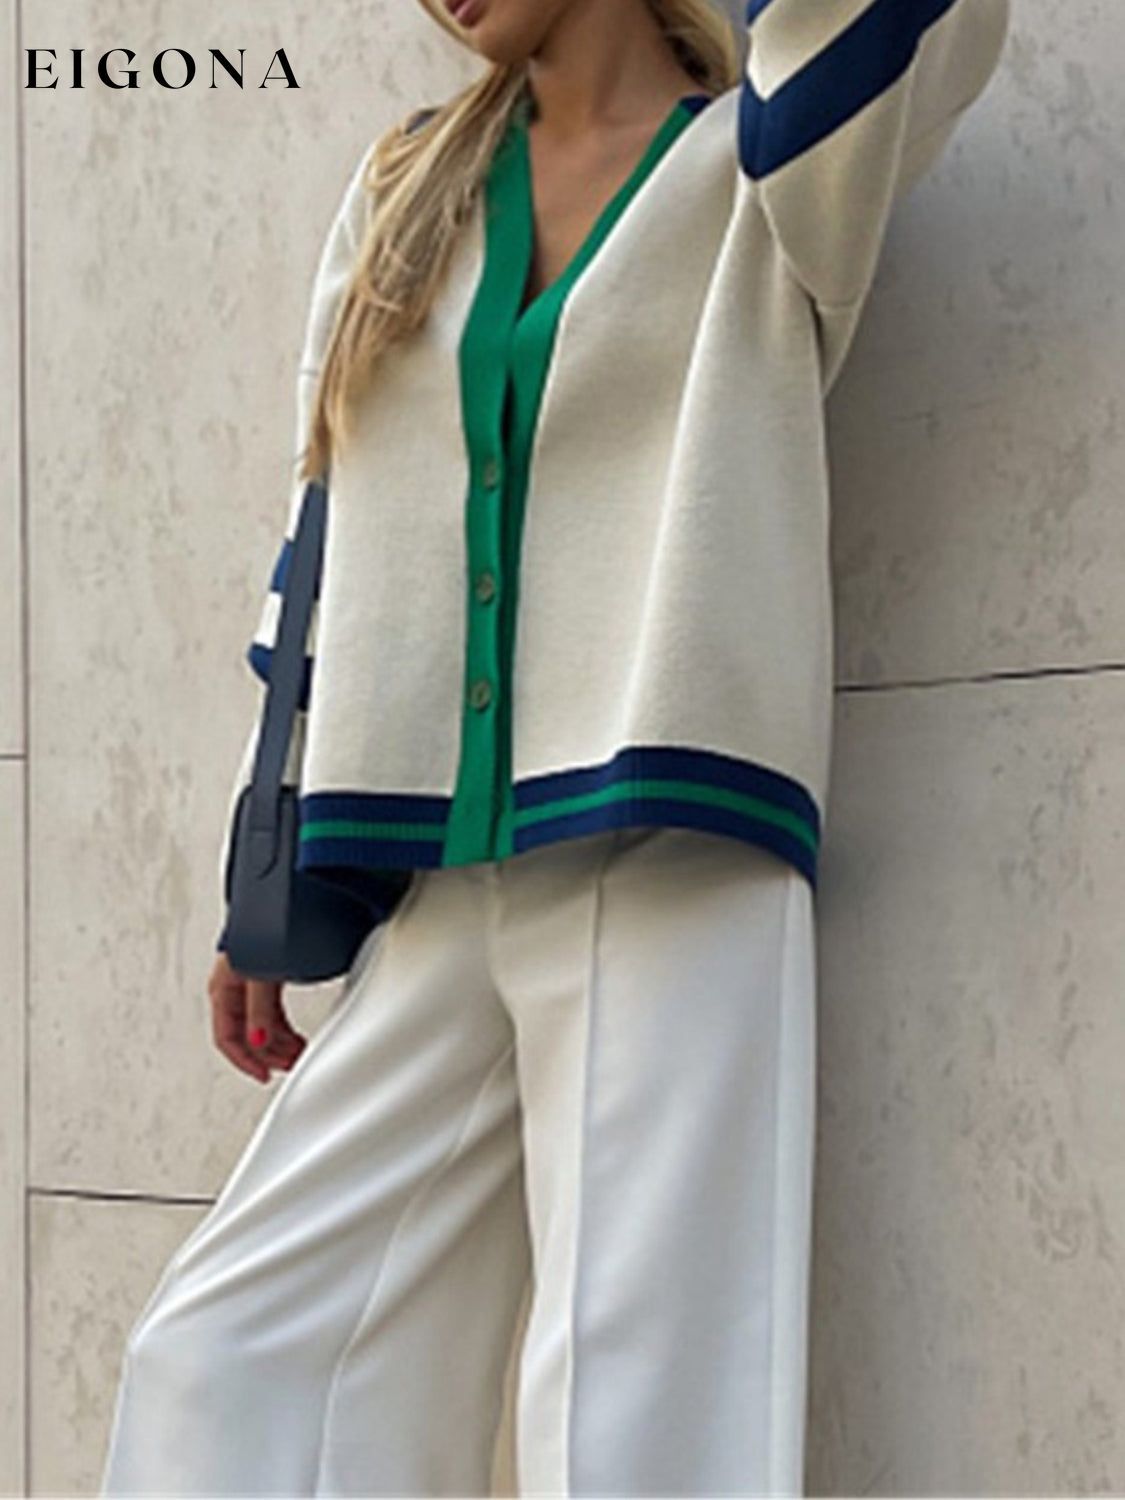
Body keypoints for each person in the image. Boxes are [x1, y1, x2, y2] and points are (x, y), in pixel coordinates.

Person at [99, 0, 1009, 1494]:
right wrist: (269, 853)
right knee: (228, 1356)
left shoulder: (770, 169)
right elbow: (318, 532)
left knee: (639, 1413)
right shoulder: (406, 186)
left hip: (669, 849)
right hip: (439, 869)